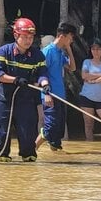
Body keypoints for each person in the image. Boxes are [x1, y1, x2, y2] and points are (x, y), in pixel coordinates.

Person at [0, 17, 47, 162]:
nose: (29, 40)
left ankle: (28, 158)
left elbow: (42, 74)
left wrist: (45, 85)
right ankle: (3, 156)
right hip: (5, 100)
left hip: (26, 101)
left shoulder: (37, 55)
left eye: (31, 37)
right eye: (25, 37)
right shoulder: (3, 52)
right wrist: (15, 80)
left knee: (28, 132)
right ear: (16, 35)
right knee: (2, 131)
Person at [35, 22, 77, 152]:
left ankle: (56, 156)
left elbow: (73, 68)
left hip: (60, 95)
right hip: (50, 95)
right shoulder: (47, 52)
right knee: (50, 127)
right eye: (71, 37)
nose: (72, 40)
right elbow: (41, 73)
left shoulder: (60, 52)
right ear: (62, 36)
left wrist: (69, 49)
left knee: (58, 130)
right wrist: (46, 93)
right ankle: (31, 149)